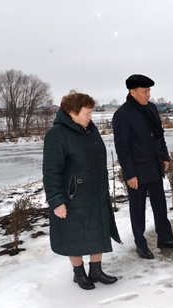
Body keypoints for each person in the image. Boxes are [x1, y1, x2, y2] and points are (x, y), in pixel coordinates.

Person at [43, 90, 121, 290]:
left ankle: (96, 270)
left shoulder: (90, 130)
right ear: (72, 112)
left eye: (91, 113)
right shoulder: (57, 135)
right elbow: (51, 171)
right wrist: (56, 200)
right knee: (74, 236)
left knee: (97, 232)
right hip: (73, 197)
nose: (90, 117)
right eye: (87, 113)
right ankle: (79, 274)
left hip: (96, 192)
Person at [112, 74, 173, 259]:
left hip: (155, 166)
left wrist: (164, 156)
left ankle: (165, 238)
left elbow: (159, 135)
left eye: (149, 90)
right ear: (132, 92)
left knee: (160, 206)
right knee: (138, 210)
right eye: (145, 91)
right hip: (137, 172)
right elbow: (122, 149)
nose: (148, 95)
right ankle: (140, 244)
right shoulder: (122, 116)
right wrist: (130, 174)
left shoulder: (151, 108)